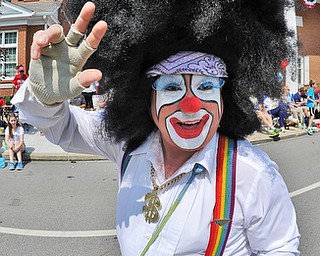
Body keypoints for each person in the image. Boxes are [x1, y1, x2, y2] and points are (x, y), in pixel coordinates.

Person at [12, 1, 300, 255]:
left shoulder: (253, 173)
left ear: (225, 97)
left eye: (207, 86)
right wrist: (44, 97)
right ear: (146, 96)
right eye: (172, 86)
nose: (191, 105)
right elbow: (63, 126)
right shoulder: (127, 144)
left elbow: (280, 248)